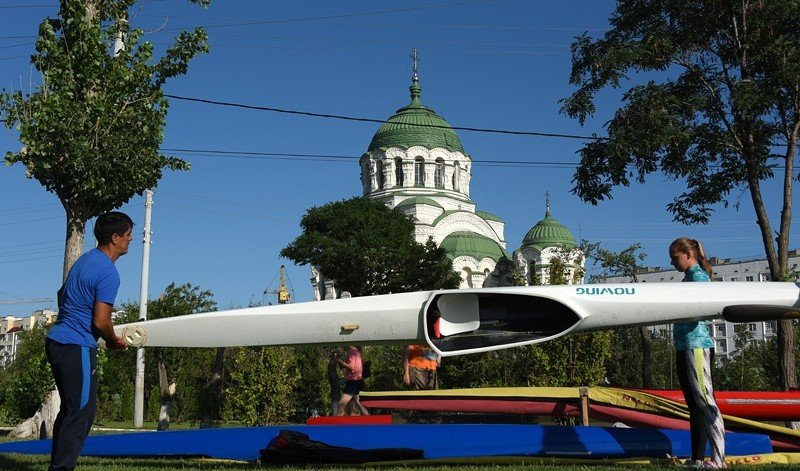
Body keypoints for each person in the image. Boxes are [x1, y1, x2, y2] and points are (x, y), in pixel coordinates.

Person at [46, 212, 132, 471]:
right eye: (128, 235)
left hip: (57, 342)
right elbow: (101, 321)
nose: (130, 240)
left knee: (72, 410)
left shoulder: (85, 260)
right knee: (81, 413)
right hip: (77, 346)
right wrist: (114, 341)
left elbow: (62, 295)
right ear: (115, 238)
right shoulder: (108, 272)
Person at [669, 237, 725, 469]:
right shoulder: (688, 278)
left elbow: (702, 309)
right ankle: (697, 459)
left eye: (675, 257)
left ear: (688, 254)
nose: (672, 262)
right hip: (684, 346)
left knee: (705, 401)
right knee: (694, 405)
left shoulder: (699, 277)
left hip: (696, 346)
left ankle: (719, 461)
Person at [334, 345, 369, 416]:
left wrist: (339, 361)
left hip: (353, 382)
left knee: (341, 404)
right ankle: (369, 418)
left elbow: (351, 367)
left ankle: (336, 425)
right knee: (357, 402)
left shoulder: (352, 351)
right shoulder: (356, 351)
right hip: (359, 381)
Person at [327, 349, 342, 416]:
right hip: (334, 379)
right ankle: (335, 413)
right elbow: (341, 366)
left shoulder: (331, 362)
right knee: (336, 396)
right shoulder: (333, 362)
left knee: (336, 395)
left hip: (333, 378)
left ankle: (335, 413)